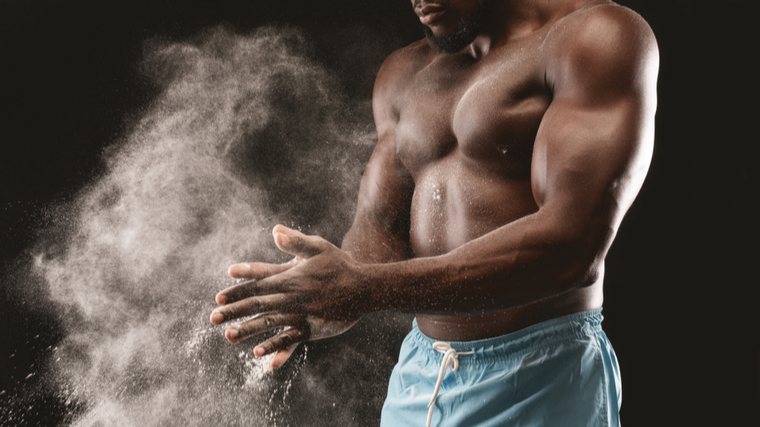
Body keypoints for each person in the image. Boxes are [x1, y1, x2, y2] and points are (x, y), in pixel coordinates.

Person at [210, 0, 658, 425]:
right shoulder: (404, 74)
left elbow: (572, 246)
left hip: (541, 375)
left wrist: (365, 288)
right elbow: (381, 224)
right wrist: (324, 288)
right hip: (420, 378)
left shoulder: (595, 38)